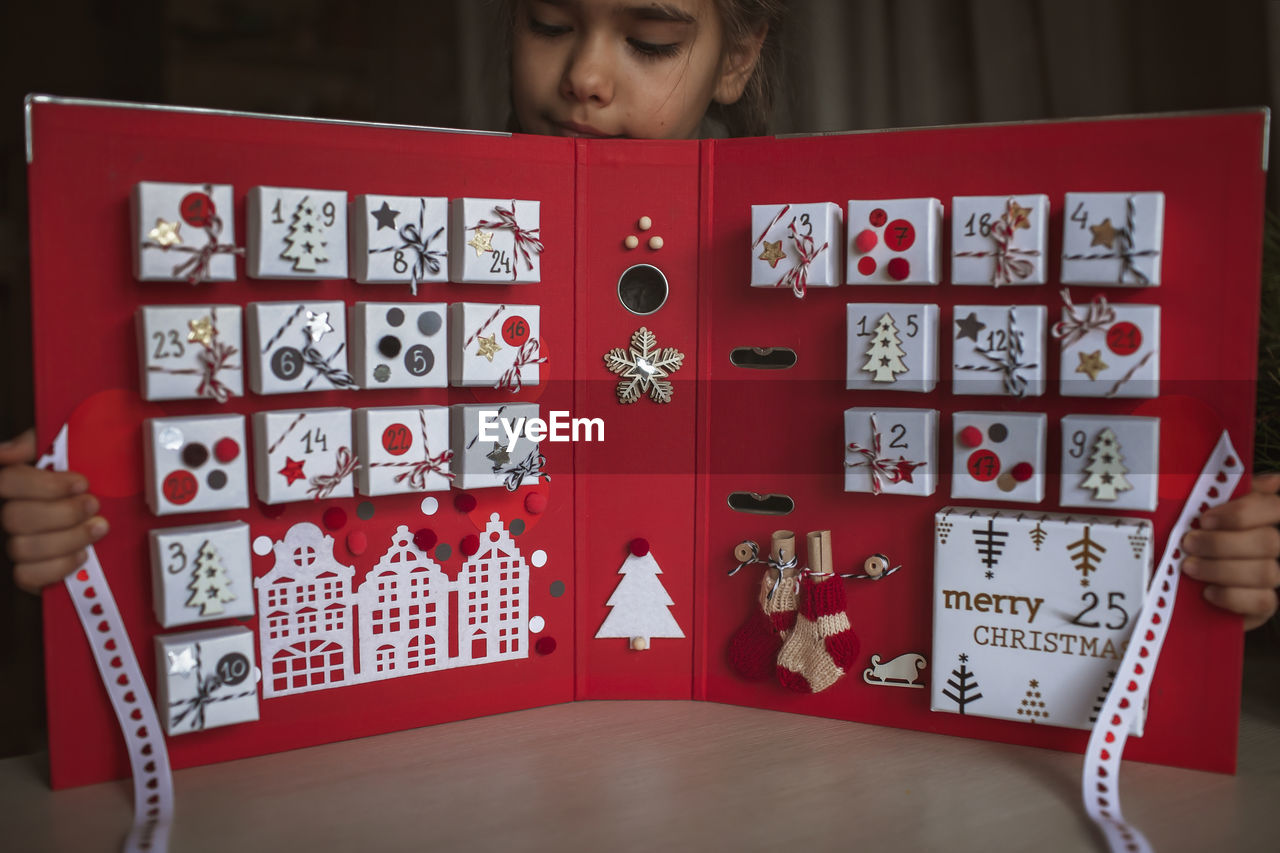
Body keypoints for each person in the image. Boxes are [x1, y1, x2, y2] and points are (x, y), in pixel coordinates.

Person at [2, 0, 1277, 632]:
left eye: (650, 36)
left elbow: (1007, 490)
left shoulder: (826, 279)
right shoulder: (388, 246)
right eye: (547, 22)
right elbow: (211, 446)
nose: (584, 77)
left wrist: (1206, 565)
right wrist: (73, 514)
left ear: (733, 58)